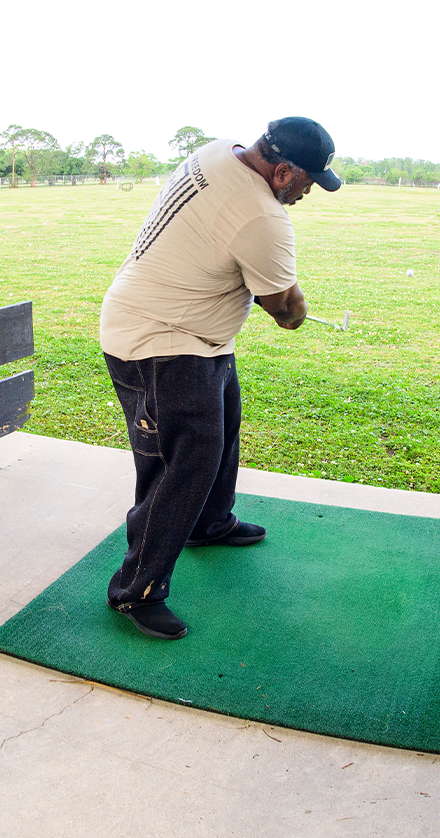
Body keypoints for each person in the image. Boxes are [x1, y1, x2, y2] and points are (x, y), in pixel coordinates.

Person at [97, 117, 339, 640]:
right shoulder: (262, 218)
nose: (306, 194)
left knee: (223, 430)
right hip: (160, 343)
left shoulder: (216, 152)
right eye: (307, 183)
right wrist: (294, 305)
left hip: (193, 333)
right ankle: (135, 589)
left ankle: (210, 524)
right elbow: (285, 310)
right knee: (183, 464)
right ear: (281, 172)